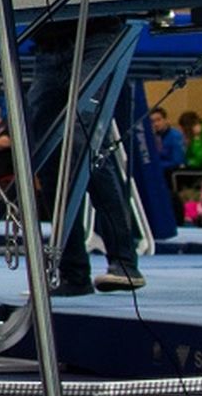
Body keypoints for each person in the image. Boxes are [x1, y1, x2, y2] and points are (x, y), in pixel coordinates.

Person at [26, 17, 142, 295]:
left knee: (84, 146)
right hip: (48, 45)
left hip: (98, 36)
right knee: (46, 157)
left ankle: (124, 263)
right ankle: (72, 272)